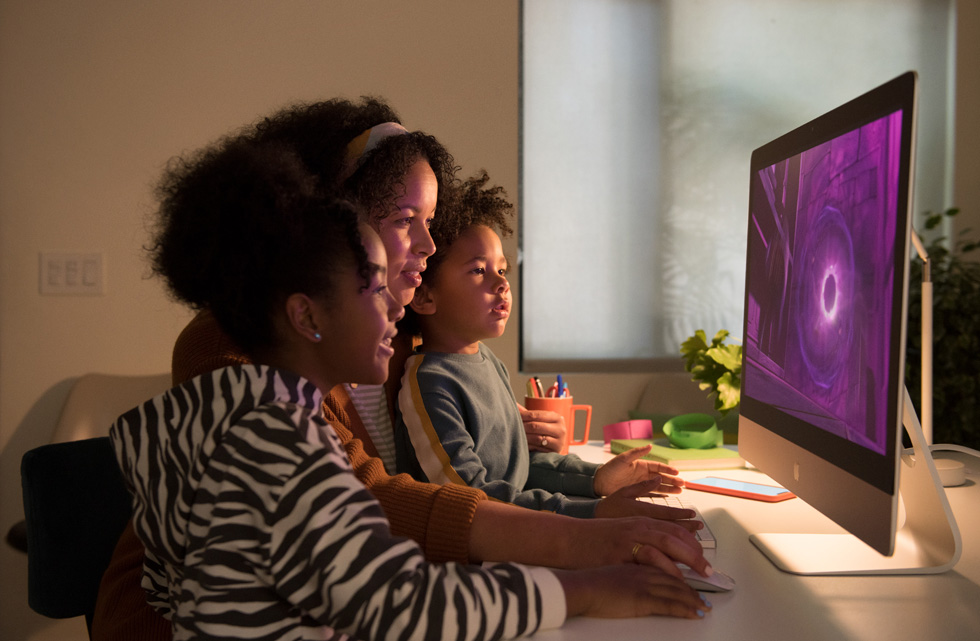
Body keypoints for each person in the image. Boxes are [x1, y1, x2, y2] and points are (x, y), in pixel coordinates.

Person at [92, 98, 711, 641]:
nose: (429, 245)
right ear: (328, 234)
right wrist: (579, 551)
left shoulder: (393, 339)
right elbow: (371, 530)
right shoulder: (241, 368)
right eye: (403, 221)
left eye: (430, 223)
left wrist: (509, 433)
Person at [396, 173, 682, 517]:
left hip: (521, 528)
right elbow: (472, 498)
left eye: (502, 270)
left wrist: (597, 480)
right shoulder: (428, 383)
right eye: (477, 271)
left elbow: (520, 470)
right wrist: (589, 513)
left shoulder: (487, 361)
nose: (501, 283)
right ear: (425, 297)